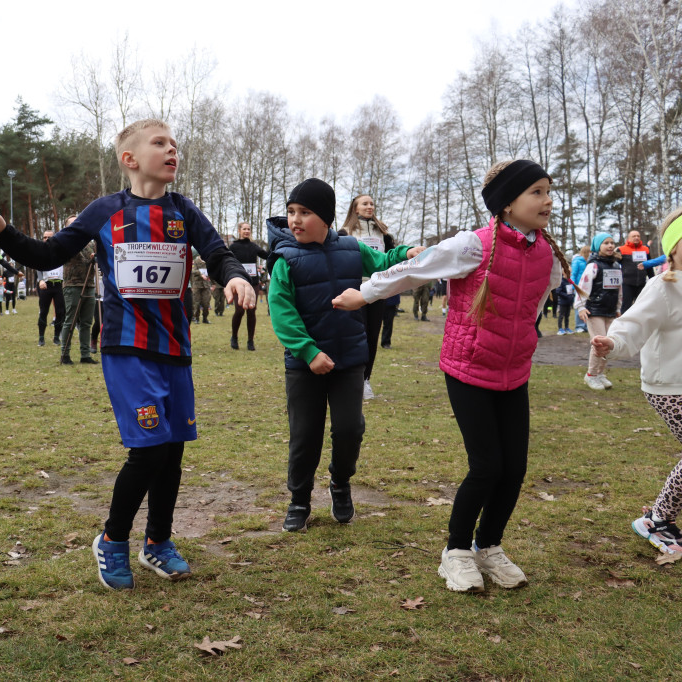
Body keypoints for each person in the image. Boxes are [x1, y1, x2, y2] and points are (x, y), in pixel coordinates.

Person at [0, 118, 255, 590]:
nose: (172, 150)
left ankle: (158, 542)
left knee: (172, 452)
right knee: (149, 448)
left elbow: (218, 253)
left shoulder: (184, 210)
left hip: (175, 348)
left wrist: (236, 276)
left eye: (175, 144)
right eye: (160, 143)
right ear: (130, 159)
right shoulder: (105, 210)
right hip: (126, 347)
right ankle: (113, 539)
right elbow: (47, 254)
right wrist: (4, 234)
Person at [333, 159, 572, 593]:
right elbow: (415, 269)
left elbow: (537, 303)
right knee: (487, 466)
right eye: (536, 192)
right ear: (506, 203)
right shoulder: (472, 246)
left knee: (514, 469)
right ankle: (457, 551)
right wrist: (365, 294)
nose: (548, 200)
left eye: (548, 191)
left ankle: (489, 546)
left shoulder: (547, 256)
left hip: (513, 372)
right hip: (468, 369)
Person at [267, 179, 420, 532]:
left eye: (305, 212)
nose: (295, 219)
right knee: (305, 436)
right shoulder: (285, 258)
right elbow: (281, 311)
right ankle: (299, 498)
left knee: (350, 429)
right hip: (305, 365)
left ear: (326, 217)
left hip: (350, 359)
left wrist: (406, 253)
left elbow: (383, 262)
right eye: (291, 212)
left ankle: (340, 482)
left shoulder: (352, 248)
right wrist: (309, 352)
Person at [592, 206, 682, 556]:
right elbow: (632, 324)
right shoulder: (664, 286)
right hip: (671, 387)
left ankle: (661, 515)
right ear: (673, 245)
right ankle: (656, 520)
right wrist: (613, 343)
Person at [574, 232, 622, 390]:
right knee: (599, 343)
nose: (610, 245)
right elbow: (583, 287)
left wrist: (618, 307)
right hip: (594, 311)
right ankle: (591, 375)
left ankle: (600, 373)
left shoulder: (616, 265)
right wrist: (581, 307)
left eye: (612, 243)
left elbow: (618, 289)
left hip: (610, 311)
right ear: (597, 246)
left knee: (608, 344)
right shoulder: (593, 265)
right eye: (606, 243)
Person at [59, 215, 99, 365]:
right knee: (70, 321)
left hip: (89, 285)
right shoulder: (66, 241)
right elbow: (80, 258)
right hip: (72, 285)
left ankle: (85, 355)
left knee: (87, 322)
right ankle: (65, 354)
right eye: (72, 223)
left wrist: (97, 256)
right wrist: (92, 259)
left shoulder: (90, 243)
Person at [228, 222, 268, 350]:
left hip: (253, 283)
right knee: (239, 310)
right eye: (244, 229)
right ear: (239, 231)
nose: (247, 231)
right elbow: (227, 260)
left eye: (249, 229)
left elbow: (266, 255)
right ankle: (234, 337)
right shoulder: (233, 247)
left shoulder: (253, 246)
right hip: (238, 281)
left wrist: (274, 245)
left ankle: (250, 341)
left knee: (251, 310)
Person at [36, 230, 65, 347]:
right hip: (45, 285)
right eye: (44, 237)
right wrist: (40, 280)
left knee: (60, 312)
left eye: (49, 237)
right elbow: (38, 267)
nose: (46, 239)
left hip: (59, 285)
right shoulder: (40, 252)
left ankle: (56, 337)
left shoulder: (61, 251)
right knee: (43, 311)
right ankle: (41, 338)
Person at [618, 230, 652, 313]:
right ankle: (624, 321)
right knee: (626, 307)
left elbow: (649, 266)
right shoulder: (621, 250)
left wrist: (652, 279)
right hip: (627, 283)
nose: (636, 238)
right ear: (628, 238)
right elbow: (615, 265)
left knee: (641, 307)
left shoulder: (645, 249)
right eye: (634, 236)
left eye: (638, 236)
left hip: (641, 283)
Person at [570, 245, 589, 332]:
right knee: (579, 306)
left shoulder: (590, 261)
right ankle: (579, 326)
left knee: (587, 306)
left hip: (587, 287)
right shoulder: (577, 261)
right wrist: (573, 286)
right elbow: (573, 274)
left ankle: (586, 325)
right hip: (578, 287)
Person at [190, 255, 212, 324]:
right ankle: (196, 318)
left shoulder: (208, 261)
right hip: (197, 285)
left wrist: (213, 283)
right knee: (196, 303)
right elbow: (193, 270)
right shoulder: (195, 261)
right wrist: (201, 274)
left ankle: (205, 318)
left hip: (206, 285)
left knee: (206, 303)